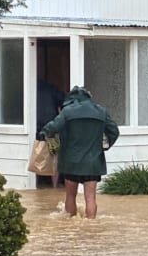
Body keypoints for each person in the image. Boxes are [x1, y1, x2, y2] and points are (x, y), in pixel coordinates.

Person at [41, 86, 119, 219]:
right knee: (91, 198)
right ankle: (90, 228)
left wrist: (43, 133)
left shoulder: (67, 112)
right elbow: (114, 131)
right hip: (93, 163)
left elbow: (53, 127)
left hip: (71, 162)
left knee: (70, 196)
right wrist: (106, 146)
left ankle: (72, 227)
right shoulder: (101, 112)